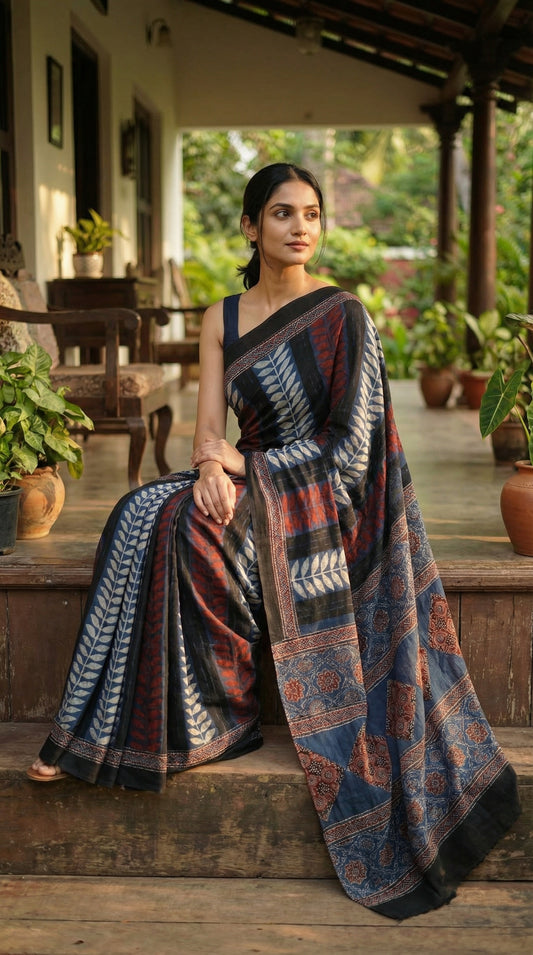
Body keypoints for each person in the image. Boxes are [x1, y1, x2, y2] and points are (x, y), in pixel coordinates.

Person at [27, 163, 520, 919]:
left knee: (188, 524)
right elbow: (205, 428)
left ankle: (221, 716)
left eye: (313, 214)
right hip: (242, 481)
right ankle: (129, 724)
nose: (301, 227)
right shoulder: (221, 315)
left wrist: (247, 471)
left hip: (316, 503)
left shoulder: (342, 313)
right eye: (283, 213)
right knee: (136, 513)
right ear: (251, 226)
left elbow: (353, 451)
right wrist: (206, 465)